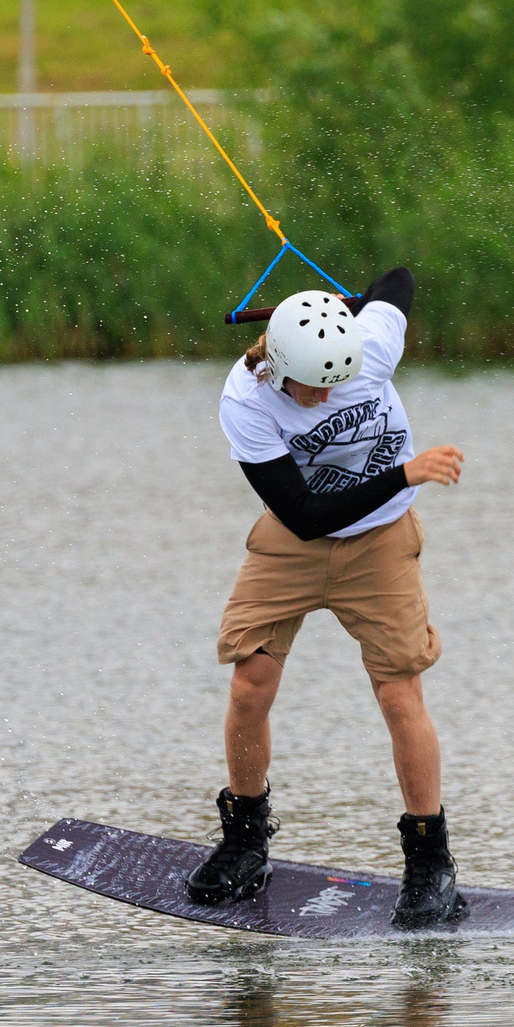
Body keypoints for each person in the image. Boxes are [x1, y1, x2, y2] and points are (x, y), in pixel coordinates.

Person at [197, 269, 470, 928]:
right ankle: (245, 843)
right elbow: (304, 515)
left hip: (381, 542)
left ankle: (430, 862)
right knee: (249, 682)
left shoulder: (367, 346)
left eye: (336, 382)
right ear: (278, 367)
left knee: (399, 692)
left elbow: (398, 280)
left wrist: (352, 304)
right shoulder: (246, 400)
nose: (324, 396)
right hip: (295, 536)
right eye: (313, 386)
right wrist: (405, 472)